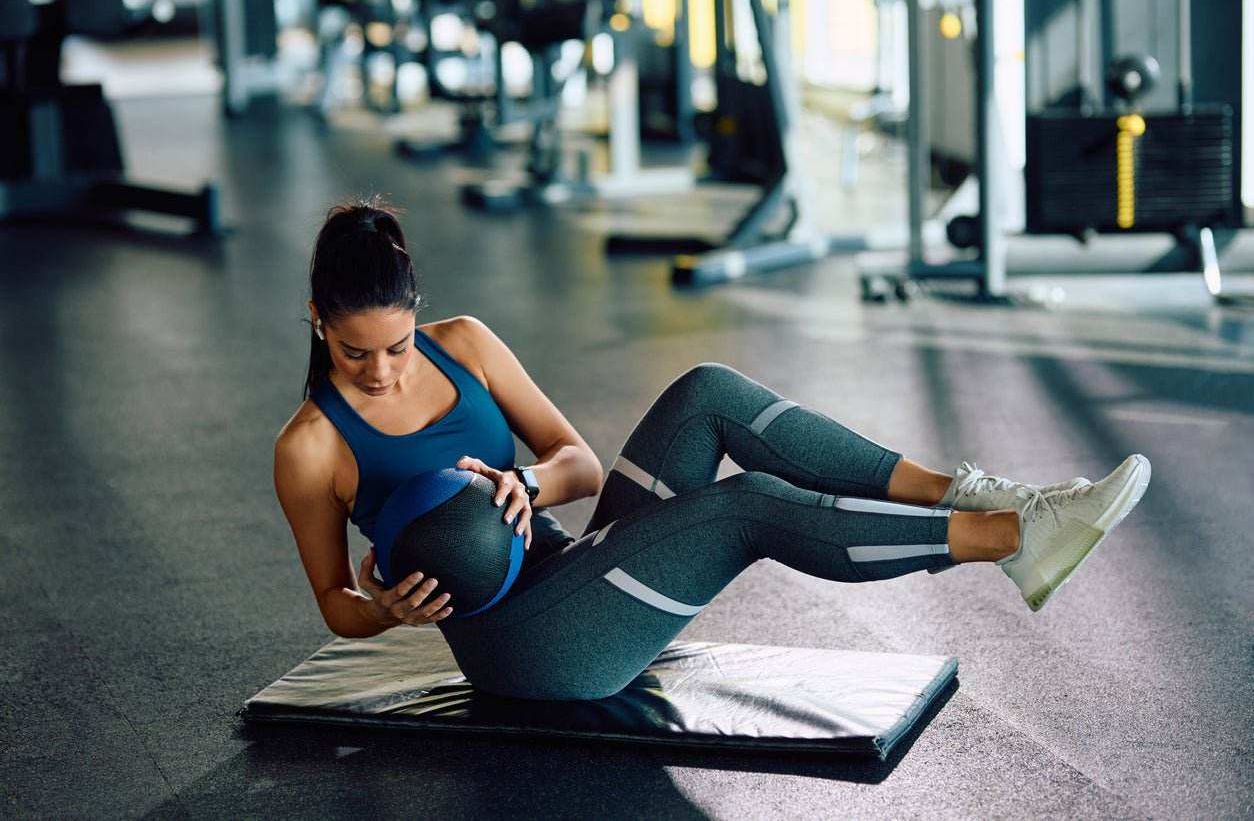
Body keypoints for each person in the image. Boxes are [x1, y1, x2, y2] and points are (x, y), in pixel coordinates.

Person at [273, 198, 1152, 701]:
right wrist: (385, 609)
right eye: (356, 352)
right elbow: (333, 602)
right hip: (527, 649)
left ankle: (982, 496)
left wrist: (527, 485)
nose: (383, 371)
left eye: (396, 344)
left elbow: (575, 462)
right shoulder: (311, 447)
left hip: (578, 568)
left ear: (417, 309)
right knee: (741, 509)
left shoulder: (462, 345)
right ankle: (1010, 542)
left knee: (707, 393)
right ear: (319, 320)